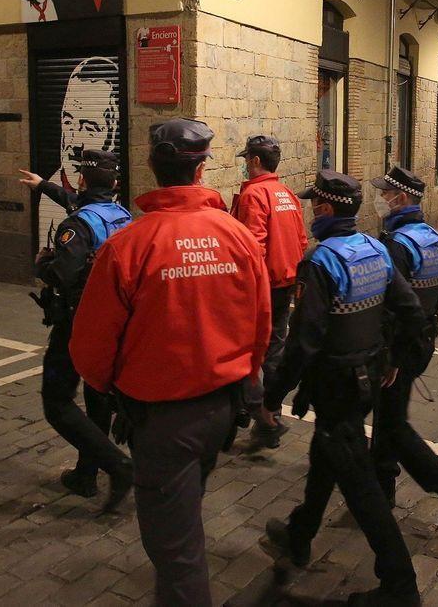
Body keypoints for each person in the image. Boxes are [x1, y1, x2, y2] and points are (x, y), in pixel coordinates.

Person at [70, 119, 272, 606]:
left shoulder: (129, 246)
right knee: (181, 519)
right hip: (221, 409)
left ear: (151, 170)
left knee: (176, 551)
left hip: (161, 420)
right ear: (201, 168)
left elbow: (90, 348)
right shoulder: (237, 236)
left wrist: (111, 386)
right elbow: (261, 324)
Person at [261, 170, 427, 606]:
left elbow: (303, 341)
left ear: (325, 208)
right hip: (366, 380)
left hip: (336, 386)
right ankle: (299, 536)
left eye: (312, 205)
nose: (309, 212)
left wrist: (272, 395)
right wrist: (392, 359)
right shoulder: (376, 248)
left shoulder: (320, 262)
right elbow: (409, 310)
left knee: (363, 491)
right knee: (325, 457)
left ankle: (400, 586)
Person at [19, 149, 134, 509]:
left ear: (83, 179)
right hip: (112, 324)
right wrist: (43, 186)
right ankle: (86, 475)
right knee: (98, 399)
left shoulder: (77, 226)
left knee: (56, 401)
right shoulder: (122, 216)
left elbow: (63, 274)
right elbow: (78, 203)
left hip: (76, 324)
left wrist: (43, 266)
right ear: (114, 183)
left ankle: (117, 465)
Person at [369, 167, 438, 532]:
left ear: (400, 199)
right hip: (422, 341)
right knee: (388, 420)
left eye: (385, 194)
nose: (381, 199)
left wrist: (391, 357)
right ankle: (380, 494)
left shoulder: (396, 245)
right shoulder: (430, 237)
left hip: (399, 350)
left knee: (394, 426)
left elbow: (392, 308)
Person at [230, 135, 308, 449]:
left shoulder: (255, 195)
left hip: (263, 285)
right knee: (273, 348)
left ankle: (262, 417)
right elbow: (301, 239)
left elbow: (254, 247)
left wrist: (246, 288)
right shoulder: (285, 192)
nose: (246, 164)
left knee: (245, 351)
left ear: (256, 161)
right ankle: (270, 411)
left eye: (247, 159)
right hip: (285, 281)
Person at [38, 57, 122, 245]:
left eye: (90, 128)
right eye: (68, 123)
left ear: (113, 132)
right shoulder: (52, 194)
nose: (74, 141)